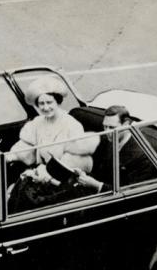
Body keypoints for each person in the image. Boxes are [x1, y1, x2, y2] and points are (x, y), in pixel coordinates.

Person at [7, 77, 98, 211]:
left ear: (58, 102)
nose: (46, 107)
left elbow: (75, 163)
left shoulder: (72, 125)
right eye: (41, 103)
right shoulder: (37, 123)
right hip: (41, 174)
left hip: (64, 181)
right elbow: (26, 146)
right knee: (18, 192)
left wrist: (45, 175)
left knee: (28, 199)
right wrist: (9, 156)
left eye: (49, 102)